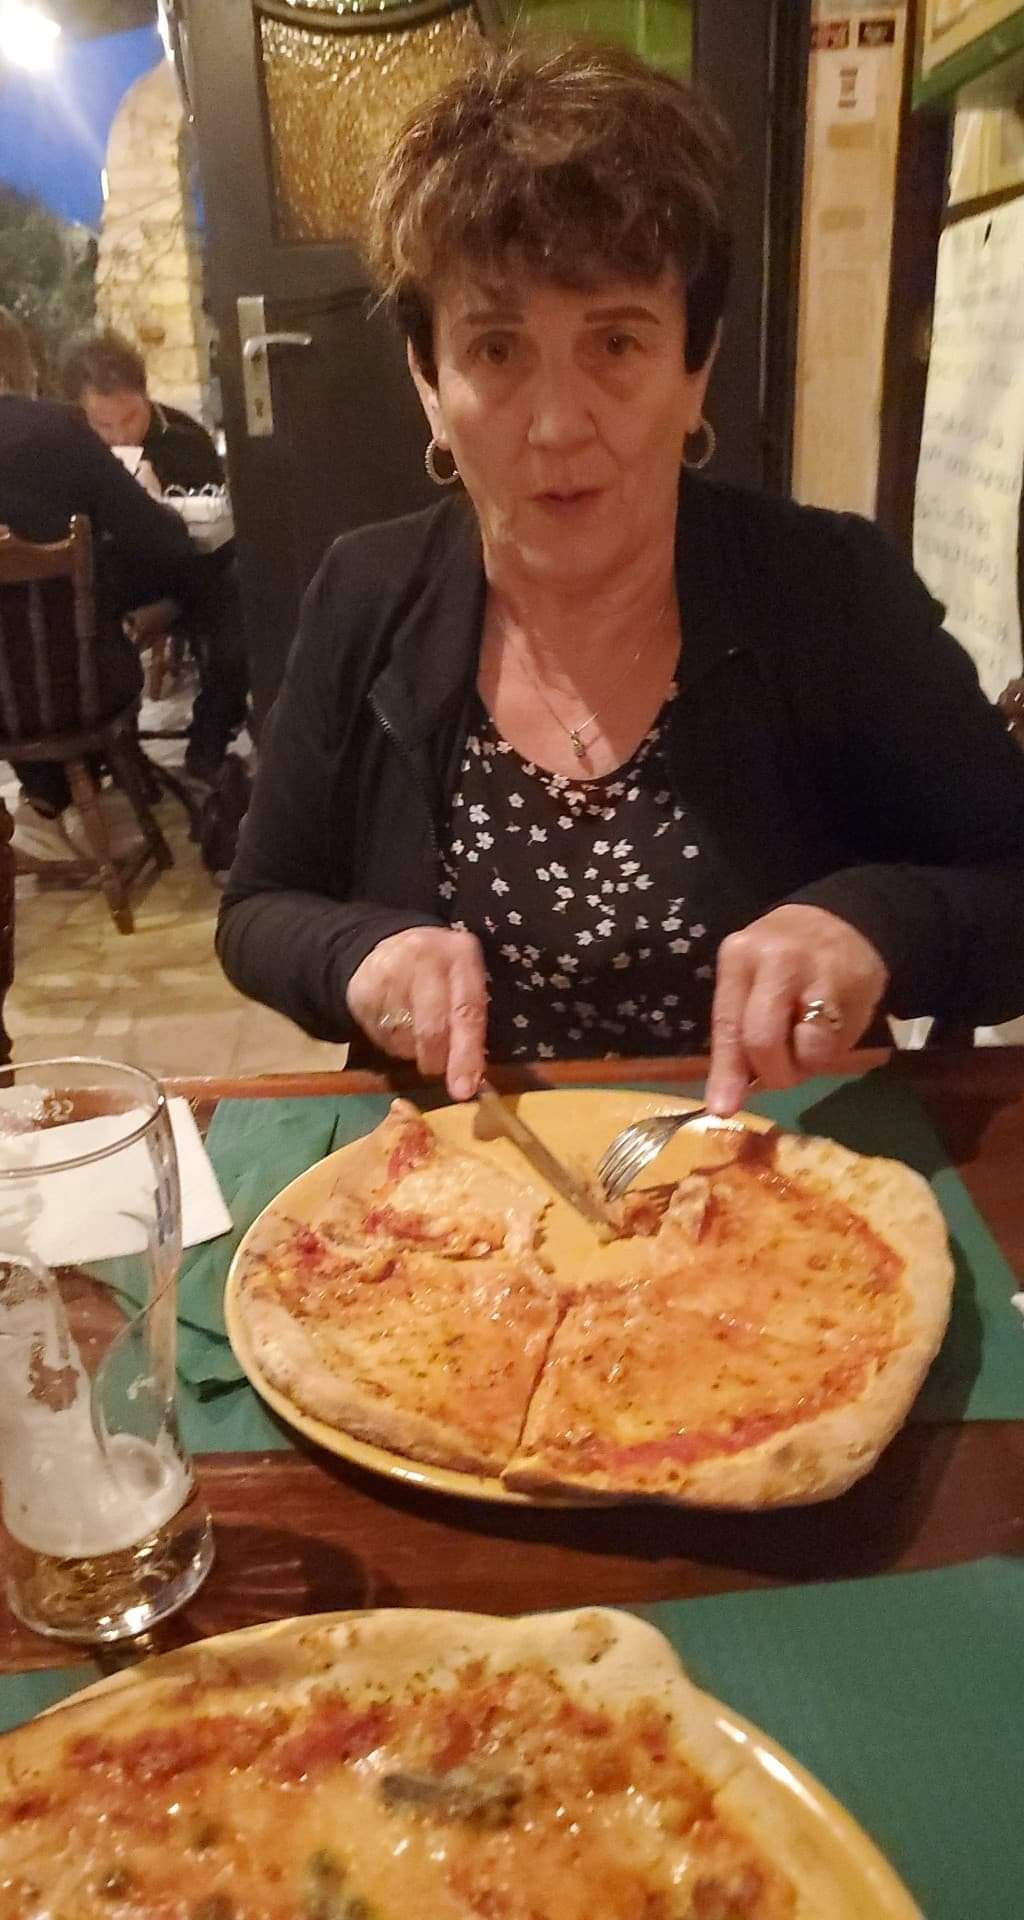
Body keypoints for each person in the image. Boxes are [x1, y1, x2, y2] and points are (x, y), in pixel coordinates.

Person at [217, 41, 1024, 1114]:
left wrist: (872, 923)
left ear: (695, 366)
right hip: (456, 1180)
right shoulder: (364, 592)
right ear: (428, 381)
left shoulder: (830, 589)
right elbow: (259, 908)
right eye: (496, 350)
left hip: (770, 1170)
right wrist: (360, 956)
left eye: (617, 344)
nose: (558, 425)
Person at [0, 306, 195, 860]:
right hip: (77, 691)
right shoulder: (58, 431)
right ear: (20, 363)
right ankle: (63, 799)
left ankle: (47, 800)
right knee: (88, 630)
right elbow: (164, 540)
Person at [61, 326, 249, 784]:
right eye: (102, 425)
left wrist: (157, 503)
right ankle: (101, 756)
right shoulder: (69, 448)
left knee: (237, 603)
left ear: (145, 396)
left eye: (130, 417)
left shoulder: (184, 438)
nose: (118, 435)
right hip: (108, 581)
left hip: (185, 572)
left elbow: (217, 530)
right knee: (60, 619)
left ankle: (209, 742)